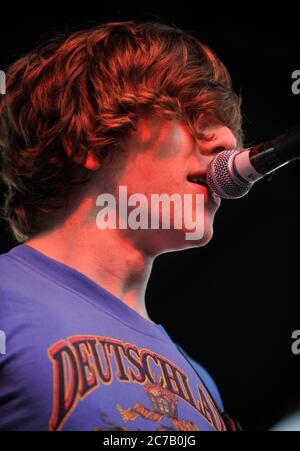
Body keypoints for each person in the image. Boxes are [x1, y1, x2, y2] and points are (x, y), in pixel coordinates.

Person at [0, 21, 242, 431]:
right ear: (91, 139)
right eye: (191, 114)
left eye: (224, 124)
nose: (227, 141)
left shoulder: (203, 384)